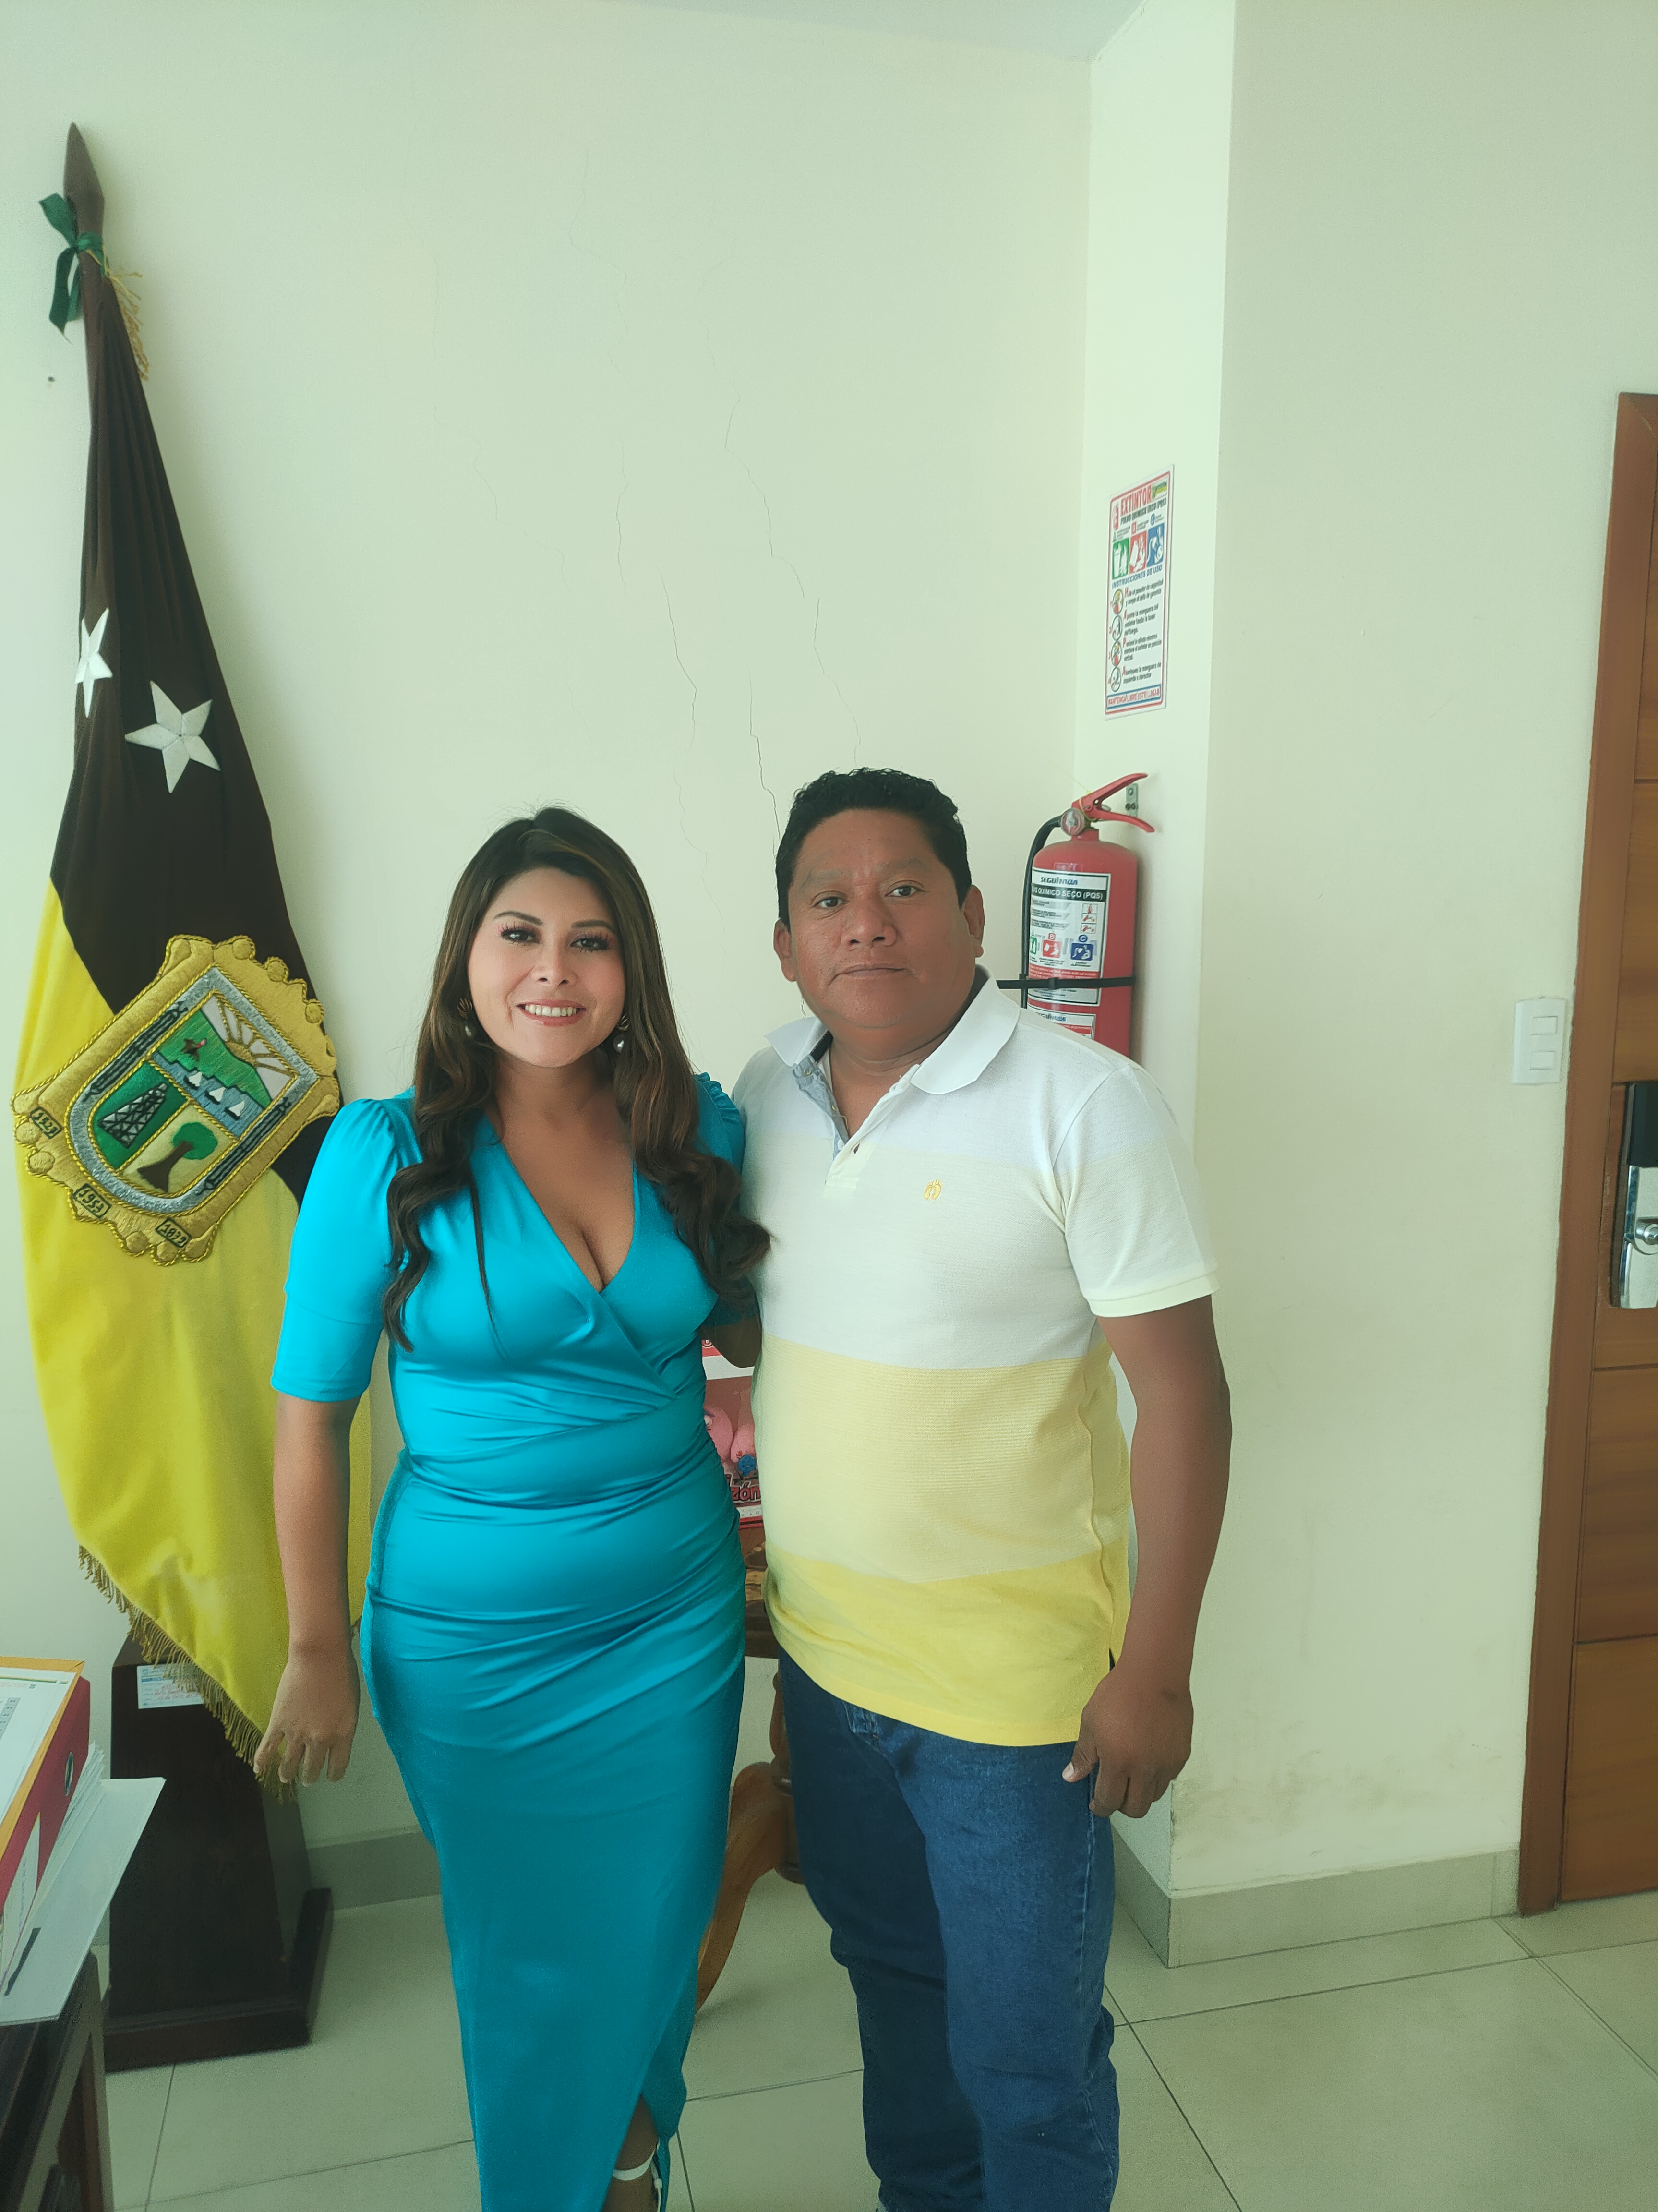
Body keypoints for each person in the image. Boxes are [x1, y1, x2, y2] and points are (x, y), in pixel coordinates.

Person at [254, 808, 766, 2212]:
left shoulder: (697, 1127)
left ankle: (628, 2164)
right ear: (465, 959)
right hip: (474, 1647)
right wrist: (315, 1646)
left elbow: (753, 1329)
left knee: (655, 1925)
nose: (555, 970)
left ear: (631, 968)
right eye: (520, 935)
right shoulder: (379, 1154)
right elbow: (309, 1425)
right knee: (533, 1958)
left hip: (675, 1621)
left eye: (591, 941)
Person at [733, 768, 1230, 2212]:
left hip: (1018, 1710)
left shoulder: (1088, 1106)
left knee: (1026, 2058)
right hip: (832, 1671)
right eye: (829, 898)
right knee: (894, 1995)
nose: (867, 923)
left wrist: (1158, 1673)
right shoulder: (762, 1094)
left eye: (904, 889)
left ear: (971, 913)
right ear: (786, 942)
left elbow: (1185, 1399)